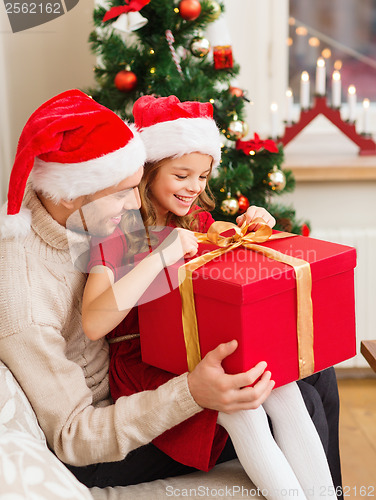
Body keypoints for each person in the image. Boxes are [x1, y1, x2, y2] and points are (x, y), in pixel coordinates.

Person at [0, 89, 342, 498]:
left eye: (134, 187)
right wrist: (193, 392)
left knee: (299, 379)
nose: (133, 203)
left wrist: (244, 229)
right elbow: (78, 422)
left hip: (161, 363)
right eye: (123, 191)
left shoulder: (88, 221)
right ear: (73, 191)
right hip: (107, 425)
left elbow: (206, 257)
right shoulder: (36, 294)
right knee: (267, 403)